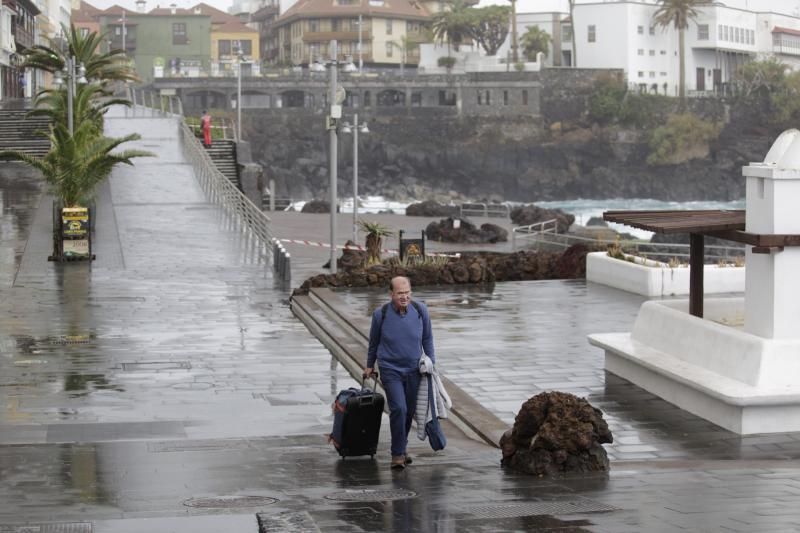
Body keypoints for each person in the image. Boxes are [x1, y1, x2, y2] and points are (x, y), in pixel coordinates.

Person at [364, 276, 435, 470]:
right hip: (390, 369)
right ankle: (397, 455)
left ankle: (402, 447)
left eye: (407, 293)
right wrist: (370, 365)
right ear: (391, 294)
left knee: (409, 411)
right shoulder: (381, 314)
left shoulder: (420, 310)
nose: (404, 297)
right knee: (399, 409)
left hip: (414, 369)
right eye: (399, 294)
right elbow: (374, 342)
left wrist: (431, 363)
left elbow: (427, 339)